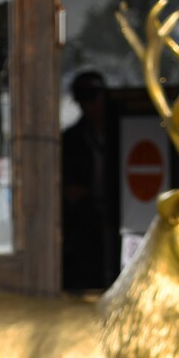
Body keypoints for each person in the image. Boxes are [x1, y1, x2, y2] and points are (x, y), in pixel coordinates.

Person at [61, 70, 118, 293]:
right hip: (85, 220)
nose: (88, 106)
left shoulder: (124, 129)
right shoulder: (72, 138)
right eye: (82, 99)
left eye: (92, 97)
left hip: (121, 211)